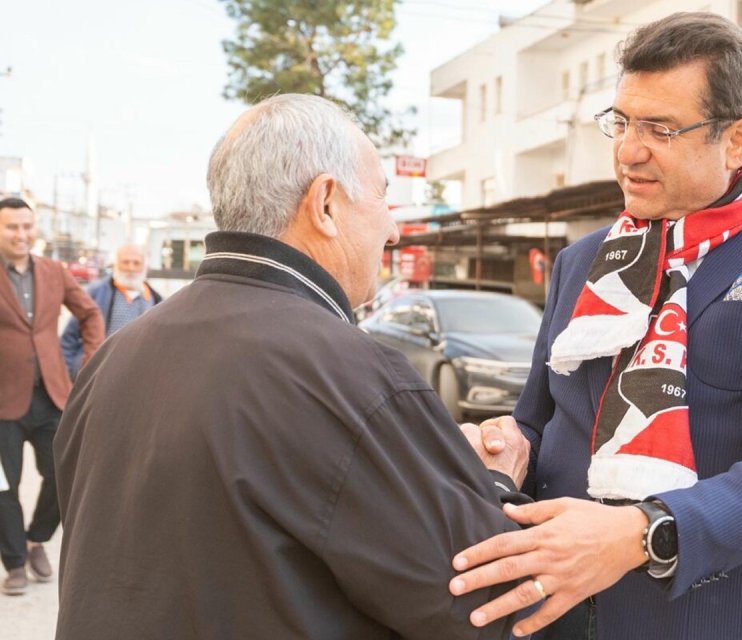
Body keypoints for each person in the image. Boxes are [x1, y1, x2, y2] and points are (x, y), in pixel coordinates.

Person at [448, 12, 742, 640]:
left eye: (661, 128)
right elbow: (537, 421)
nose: (628, 150)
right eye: (621, 123)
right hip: (558, 619)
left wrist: (641, 532)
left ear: (737, 140)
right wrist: (506, 450)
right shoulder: (582, 263)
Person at [54, 94, 531, 638]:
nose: (393, 230)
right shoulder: (349, 374)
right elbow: (484, 605)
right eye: (382, 198)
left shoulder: (120, 353)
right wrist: (490, 483)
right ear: (325, 203)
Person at [0, 197, 104, 597]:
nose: (22, 234)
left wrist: (86, 366)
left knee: (65, 477)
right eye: (12, 227)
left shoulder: (54, 271)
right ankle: (13, 563)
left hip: (51, 396)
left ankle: (34, 540)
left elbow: (90, 315)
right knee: (4, 487)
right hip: (3, 403)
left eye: (27, 226)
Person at [60, 243, 163, 378]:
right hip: (98, 375)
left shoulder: (157, 301)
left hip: (137, 376)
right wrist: (71, 372)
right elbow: (69, 337)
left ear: (144, 266)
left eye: (136, 263)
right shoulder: (96, 294)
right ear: (115, 265)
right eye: (125, 262)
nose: (131, 268)